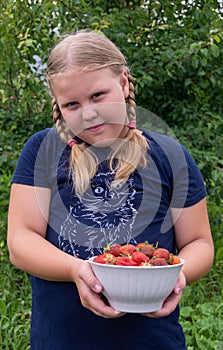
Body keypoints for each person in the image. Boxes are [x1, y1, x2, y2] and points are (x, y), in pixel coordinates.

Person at [7, 30, 214, 350]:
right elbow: (20, 242)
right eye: (71, 104)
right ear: (59, 107)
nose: (88, 113)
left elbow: (199, 243)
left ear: (125, 83)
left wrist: (177, 275)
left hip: (153, 342)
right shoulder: (42, 151)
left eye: (98, 95)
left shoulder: (170, 156)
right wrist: (77, 270)